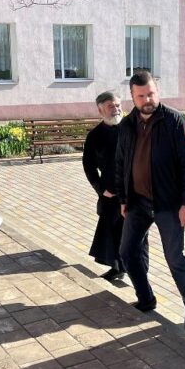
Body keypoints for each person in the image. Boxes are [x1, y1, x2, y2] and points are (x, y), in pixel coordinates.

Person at [115, 70, 185, 332]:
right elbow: (121, 163)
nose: (147, 100)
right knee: (127, 251)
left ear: (157, 92)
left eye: (151, 93)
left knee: (174, 257)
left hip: (169, 205)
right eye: (141, 96)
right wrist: (123, 198)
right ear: (132, 97)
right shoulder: (127, 125)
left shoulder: (176, 122)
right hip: (138, 202)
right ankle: (146, 298)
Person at [83, 92, 137, 281]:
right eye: (110, 106)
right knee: (111, 232)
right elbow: (88, 166)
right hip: (110, 193)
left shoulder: (132, 129)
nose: (116, 109)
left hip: (134, 191)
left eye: (117, 105)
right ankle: (117, 267)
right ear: (100, 110)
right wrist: (100, 189)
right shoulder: (95, 136)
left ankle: (135, 270)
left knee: (133, 233)